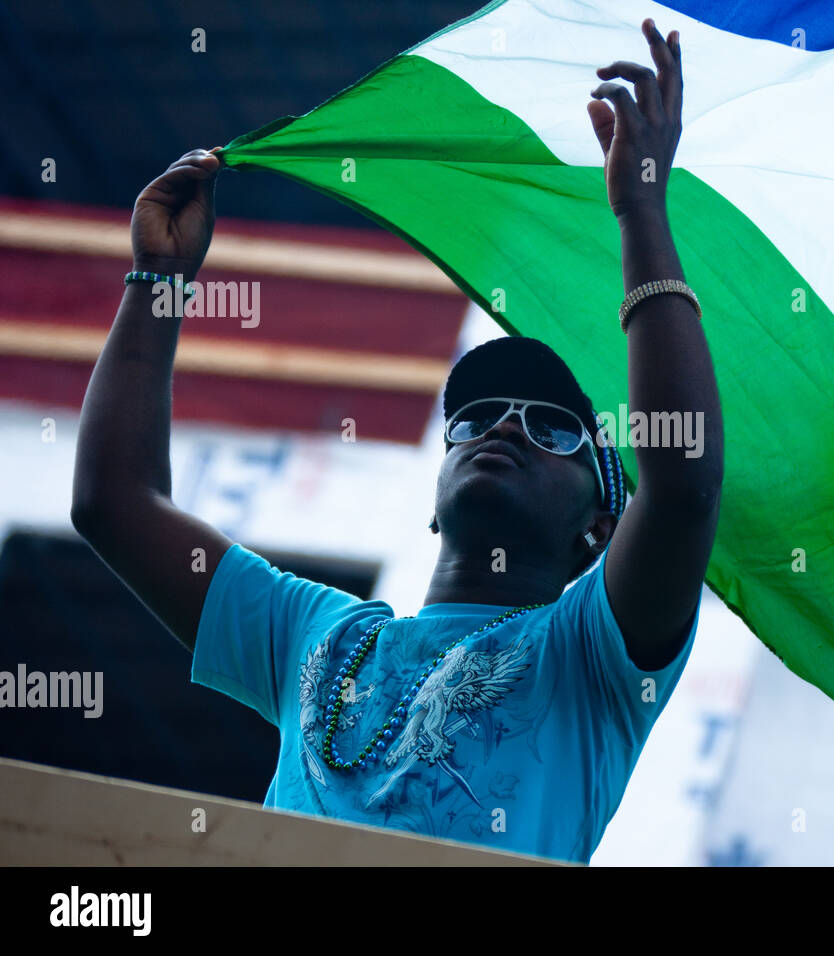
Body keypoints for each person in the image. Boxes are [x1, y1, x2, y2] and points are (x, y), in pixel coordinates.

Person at [70, 18, 722, 864]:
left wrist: (639, 208)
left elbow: (682, 484)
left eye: (555, 428)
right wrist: (157, 283)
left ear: (599, 531)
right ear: (436, 492)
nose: (505, 427)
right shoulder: (313, 634)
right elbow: (114, 506)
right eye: (477, 418)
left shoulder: (591, 655)